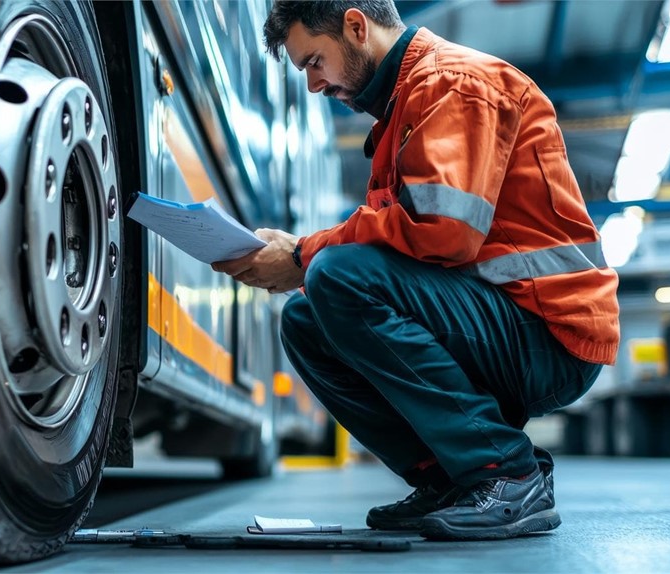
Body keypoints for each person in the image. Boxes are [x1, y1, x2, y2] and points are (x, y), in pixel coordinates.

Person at [211, 0, 620, 541]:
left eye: (314, 61)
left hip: (549, 332)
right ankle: (448, 476)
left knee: (334, 275)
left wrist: (300, 254)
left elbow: (444, 230)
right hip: (504, 318)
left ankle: (505, 472)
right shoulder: (402, 110)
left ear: (356, 26)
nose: (313, 84)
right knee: (306, 318)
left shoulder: (452, 84)